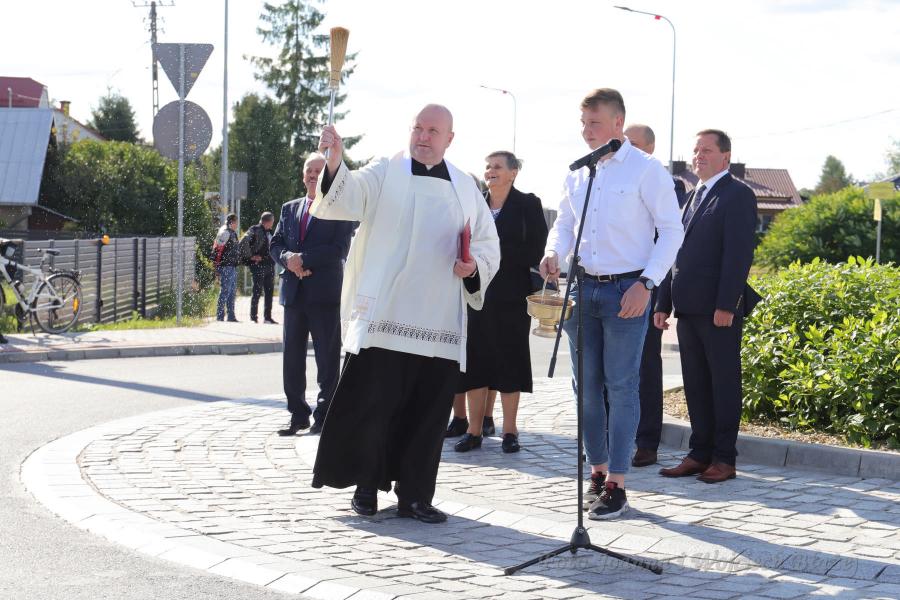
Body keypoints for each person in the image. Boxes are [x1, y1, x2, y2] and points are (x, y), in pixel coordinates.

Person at [311, 104, 500, 524]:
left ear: (450, 138)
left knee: (427, 415)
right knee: (374, 407)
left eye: (433, 131)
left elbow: (488, 244)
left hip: (438, 320)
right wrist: (336, 160)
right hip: (386, 317)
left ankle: (415, 496)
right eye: (418, 128)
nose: (424, 137)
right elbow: (349, 195)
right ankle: (365, 487)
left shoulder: (466, 187)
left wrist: (473, 267)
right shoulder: (387, 170)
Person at [540, 89, 683, 520]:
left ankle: (618, 483)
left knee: (621, 387)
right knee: (584, 387)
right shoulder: (578, 173)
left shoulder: (646, 170)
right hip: (581, 289)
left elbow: (671, 231)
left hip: (628, 291)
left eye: (595, 123)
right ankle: (597, 473)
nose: (587, 131)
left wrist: (647, 283)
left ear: (618, 122)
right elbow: (564, 224)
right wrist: (553, 252)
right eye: (583, 123)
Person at [656, 129, 757, 484]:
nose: (699, 155)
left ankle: (724, 459)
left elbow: (738, 254)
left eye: (707, 150)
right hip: (687, 308)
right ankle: (699, 454)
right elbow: (673, 253)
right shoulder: (691, 197)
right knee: (696, 384)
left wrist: (727, 304)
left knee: (723, 384)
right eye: (696, 149)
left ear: (725, 157)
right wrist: (663, 302)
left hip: (718, 310)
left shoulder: (738, 195)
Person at [453, 151, 548, 454]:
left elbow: (535, 249)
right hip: (476, 293)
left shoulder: (528, 204)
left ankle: (509, 431)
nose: (490, 171)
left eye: (497, 167)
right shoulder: (475, 203)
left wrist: (492, 252)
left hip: (512, 296)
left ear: (513, 172)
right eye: (487, 167)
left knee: (510, 360)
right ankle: (474, 431)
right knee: (476, 361)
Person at [270, 153, 356, 437]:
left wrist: (303, 260)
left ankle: (324, 415)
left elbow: (339, 249)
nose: (313, 175)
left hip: (324, 295)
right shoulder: (289, 208)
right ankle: (298, 415)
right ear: (302, 174)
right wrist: (288, 259)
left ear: (328, 176)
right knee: (292, 360)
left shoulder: (339, 209)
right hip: (293, 295)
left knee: (327, 361)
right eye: (309, 170)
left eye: (319, 171)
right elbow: (276, 244)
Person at [624, 124, 687, 468]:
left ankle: (646, 442)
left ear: (650, 148)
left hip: (646, 288)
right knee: (611, 370)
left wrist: (660, 299)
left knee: (645, 368)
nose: (625, 148)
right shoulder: (608, 177)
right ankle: (611, 437)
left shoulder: (668, 184)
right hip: (610, 286)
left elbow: (668, 241)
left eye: (633, 143)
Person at [245, 211, 277, 324]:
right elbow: (243, 243)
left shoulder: (270, 232)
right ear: (268, 221)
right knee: (257, 291)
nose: (273, 224)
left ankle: (267, 317)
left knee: (269, 292)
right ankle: (253, 317)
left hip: (270, 265)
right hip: (259, 266)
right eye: (272, 221)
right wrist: (251, 256)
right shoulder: (255, 229)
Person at [212, 213, 240, 322]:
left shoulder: (232, 233)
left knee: (231, 292)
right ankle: (220, 316)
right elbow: (218, 250)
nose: (237, 224)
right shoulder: (225, 233)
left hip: (232, 266)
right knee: (225, 291)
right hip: (226, 266)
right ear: (232, 222)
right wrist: (216, 266)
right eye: (236, 222)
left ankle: (231, 316)